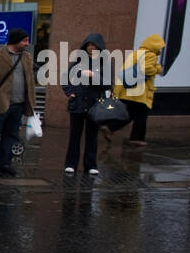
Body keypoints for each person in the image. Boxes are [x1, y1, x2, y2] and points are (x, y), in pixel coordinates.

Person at [0, 28, 35, 176]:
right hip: (0, 103)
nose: (27, 43)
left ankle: (5, 164)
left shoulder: (27, 57)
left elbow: (30, 80)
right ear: (15, 41)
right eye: (24, 40)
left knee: (11, 136)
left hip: (18, 104)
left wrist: (30, 101)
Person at [63, 32, 108, 175]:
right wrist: (70, 93)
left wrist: (93, 75)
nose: (91, 48)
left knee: (92, 136)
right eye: (89, 45)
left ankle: (91, 165)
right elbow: (66, 79)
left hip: (95, 105)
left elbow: (108, 83)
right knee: (74, 136)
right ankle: (71, 164)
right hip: (77, 104)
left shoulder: (104, 63)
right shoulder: (77, 62)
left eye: (94, 45)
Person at [108, 33, 164, 147]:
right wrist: (158, 68)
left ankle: (110, 128)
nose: (161, 50)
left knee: (130, 114)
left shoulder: (135, 54)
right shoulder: (150, 55)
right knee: (141, 115)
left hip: (128, 91)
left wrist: (117, 92)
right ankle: (136, 138)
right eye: (160, 47)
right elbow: (147, 69)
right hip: (140, 93)